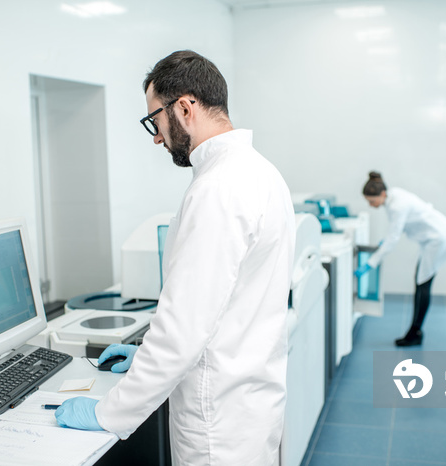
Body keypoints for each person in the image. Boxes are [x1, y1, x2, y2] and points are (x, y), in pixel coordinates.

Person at [55, 50, 296, 466]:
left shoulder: (218, 188)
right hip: (249, 405)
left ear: (185, 107)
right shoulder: (260, 171)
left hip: (217, 425)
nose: (155, 136)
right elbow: (226, 305)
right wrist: (146, 356)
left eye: (155, 120)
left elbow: (183, 329)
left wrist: (108, 413)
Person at [355, 172, 446, 347]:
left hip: (437, 239)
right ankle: (416, 331)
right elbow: (396, 230)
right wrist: (386, 242)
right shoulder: (394, 195)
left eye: (372, 201)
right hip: (434, 237)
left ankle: (415, 332)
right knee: (421, 281)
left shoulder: (397, 205)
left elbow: (393, 237)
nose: (371, 205)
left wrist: (370, 263)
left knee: (422, 283)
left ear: (382, 194)